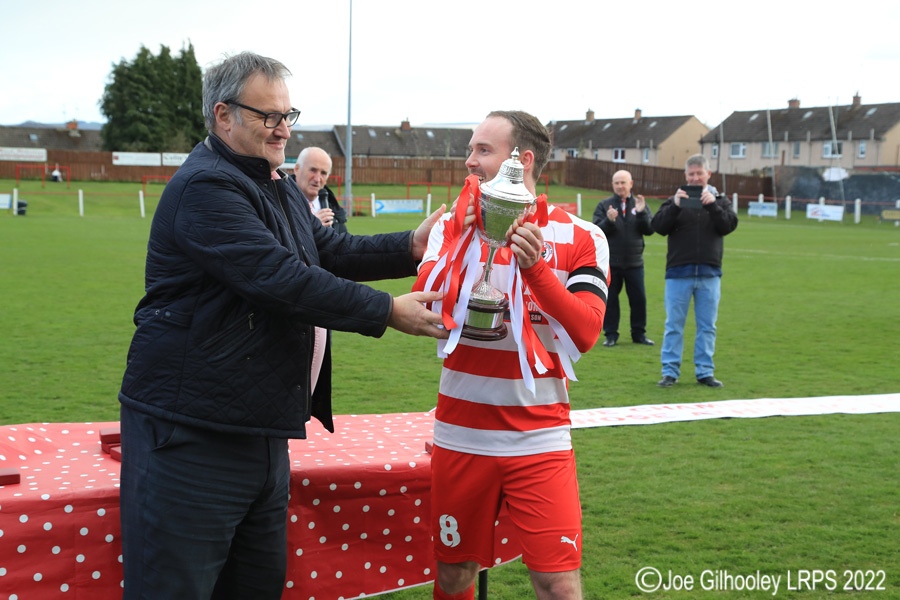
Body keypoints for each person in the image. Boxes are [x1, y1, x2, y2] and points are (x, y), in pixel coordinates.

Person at [117, 51, 448, 599]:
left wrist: (410, 246)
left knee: (256, 587)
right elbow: (280, 279)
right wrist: (387, 311)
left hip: (259, 427)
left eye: (288, 116)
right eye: (268, 116)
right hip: (192, 434)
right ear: (223, 116)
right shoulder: (207, 187)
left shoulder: (274, 183)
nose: (283, 130)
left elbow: (328, 251)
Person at [414, 110, 610, 600]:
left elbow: (586, 330)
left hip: (539, 439)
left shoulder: (583, 236)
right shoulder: (451, 228)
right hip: (461, 434)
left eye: (482, 150)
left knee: (558, 584)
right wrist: (462, 238)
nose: (469, 161)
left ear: (521, 161)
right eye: (470, 149)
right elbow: (427, 310)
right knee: (454, 575)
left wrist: (537, 269)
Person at [651, 154, 738, 388]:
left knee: (707, 326)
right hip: (678, 273)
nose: (695, 177)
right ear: (685, 176)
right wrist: (675, 207)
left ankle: (704, 372)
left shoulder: (720, 199)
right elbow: (657, 226)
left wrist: (714, 206)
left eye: (700, 173)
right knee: (674, 326)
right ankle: (669, 372)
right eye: (691, 174)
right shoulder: (675, 200)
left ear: (709, 174)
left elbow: (729, 225)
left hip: (710, 273)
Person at [592, 169, 654, 347]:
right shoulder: (604, 206)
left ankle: (639, 334)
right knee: (610, 300)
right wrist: (608, 221)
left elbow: (649, 230)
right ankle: (611, 335)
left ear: (631, 184)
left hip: (635, 263)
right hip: (611, 264)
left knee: (639, 300)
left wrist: (642, 213)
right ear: (613, 185)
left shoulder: (640, 204)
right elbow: (596, 231)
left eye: (623, 182)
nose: (620, 186)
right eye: (617, 183)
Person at [293, 146, 348, 233]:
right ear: (297, 169)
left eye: (323, 173)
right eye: (312, 170)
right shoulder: (279, 204)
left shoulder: (336, 214)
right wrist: (312, 226)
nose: (317, 179)